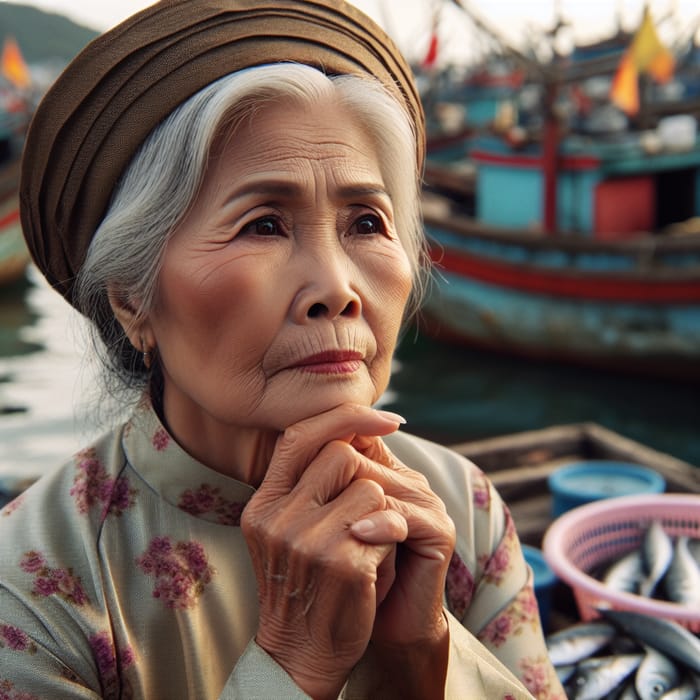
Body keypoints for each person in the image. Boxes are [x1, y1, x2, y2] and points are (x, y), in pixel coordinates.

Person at [1, 1, 565, 698]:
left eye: (367, 221)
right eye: (263, 224)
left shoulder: (460, 513)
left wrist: (423, 655)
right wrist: (294, 665)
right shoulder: (31, 586)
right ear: (132, 300)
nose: (337, 288)